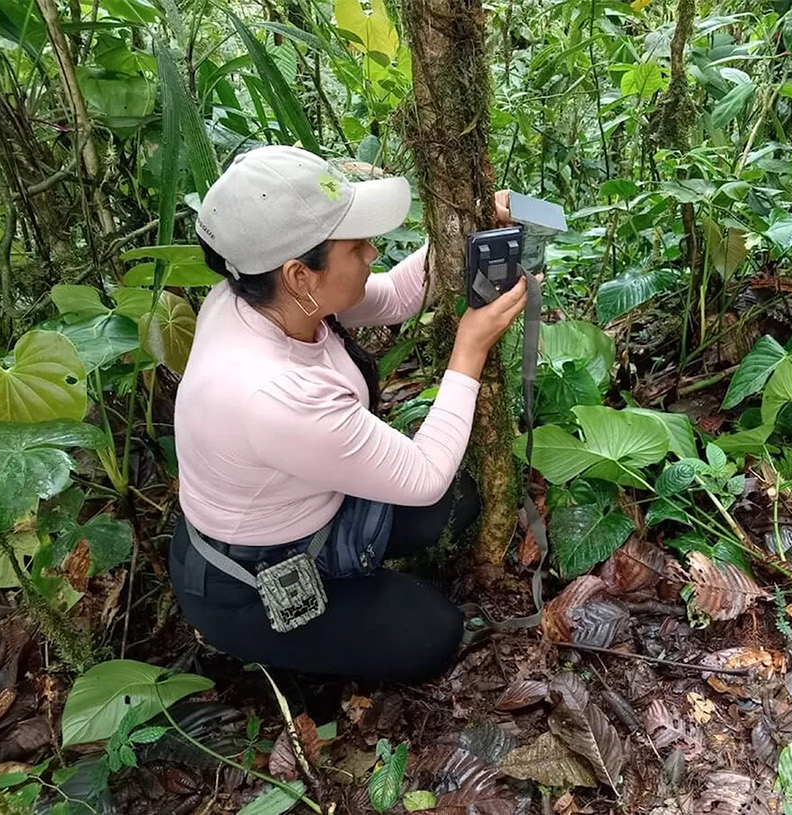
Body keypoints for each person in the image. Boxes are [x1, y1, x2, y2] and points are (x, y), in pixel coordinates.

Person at [169, 146, 527, 682]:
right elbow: (426, 476)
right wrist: (468, 351)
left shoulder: (260, 296)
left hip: (313, 509)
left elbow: (399, 293)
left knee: (461, 501)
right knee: (430, 630)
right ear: (299, 274)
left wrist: (468, 236)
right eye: (357, 244)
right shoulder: (271, 393)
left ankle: (352, 587)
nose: (372, 252)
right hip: (246, 576)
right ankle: (291, 646)